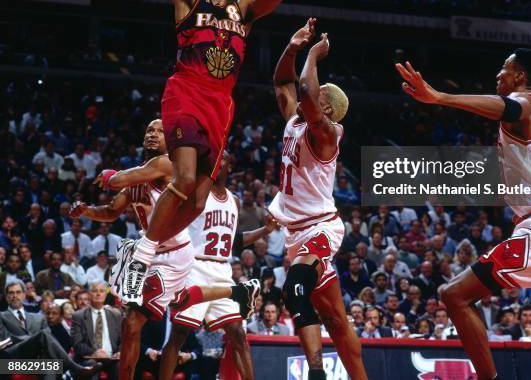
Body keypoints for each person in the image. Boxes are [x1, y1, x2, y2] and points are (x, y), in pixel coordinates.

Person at [110, 0, 292, 306]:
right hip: (186, 92)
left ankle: (145, 247)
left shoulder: (244, 10)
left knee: (198, 201)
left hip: (221, 106)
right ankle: (146, 253)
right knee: (185, 176)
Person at [396, 48, 531, 379]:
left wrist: (439, 96)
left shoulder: (526, 102)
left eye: (505, 69)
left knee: (453, 296)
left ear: (521, 77)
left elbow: (509, 107)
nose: (499, 74)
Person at [72, 120, 255, 380]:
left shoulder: (167, 164)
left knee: (135, 322)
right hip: (151, 253)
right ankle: (239, 290)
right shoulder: (139, 176)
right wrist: (86, 211)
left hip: (173, 253)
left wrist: (111, 175)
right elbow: (112, 212)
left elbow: (117, 180)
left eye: (159, 131)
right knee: (138, 322)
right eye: (148, 130)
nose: (152, 134)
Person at [267, 19, 367, 380]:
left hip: (321, 228)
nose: (309, 94)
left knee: (295, 288)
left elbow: (307, 86)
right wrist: (292, 47)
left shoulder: (326, 135)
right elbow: (283, 81)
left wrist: (312, 54)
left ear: (324, 111)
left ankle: (316, 374)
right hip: (296, 233)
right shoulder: (294, 120)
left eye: (318, 97)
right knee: (337, 320)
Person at [161, 153, 273, 380]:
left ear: (229, 166)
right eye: (212, 158)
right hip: (195, 268)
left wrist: (265, 230)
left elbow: (234, 241)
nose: (214, 162)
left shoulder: (235, 200)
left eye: (221, 158)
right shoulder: (196, 192)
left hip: (222, 270)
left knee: (238, 334)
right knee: (179, 334)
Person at [0, 280, 101, 378]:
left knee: (51, 366)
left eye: (18, 292)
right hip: (10, 363)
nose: (15, 296)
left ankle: (72, 370)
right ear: (6, 296)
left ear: (24, 295)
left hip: (33, 363)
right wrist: (33, 339)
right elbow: (5, 339)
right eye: (11, 293)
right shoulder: (1, 316)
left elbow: (49, 339)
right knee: (43, 335)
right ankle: (75, 368)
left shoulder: (38, 317)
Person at [71, 281, 122, 379]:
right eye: (95, 291)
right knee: (92, 364)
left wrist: (120, 352)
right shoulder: (79, 316)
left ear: (106, 295)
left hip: (111, 358)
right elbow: (77, 343)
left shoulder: (116, 314)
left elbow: (123, 339)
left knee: (120, 365)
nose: (98, 294)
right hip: (91, 357)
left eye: (102, 291)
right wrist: (94, 352)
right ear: (89, 294)